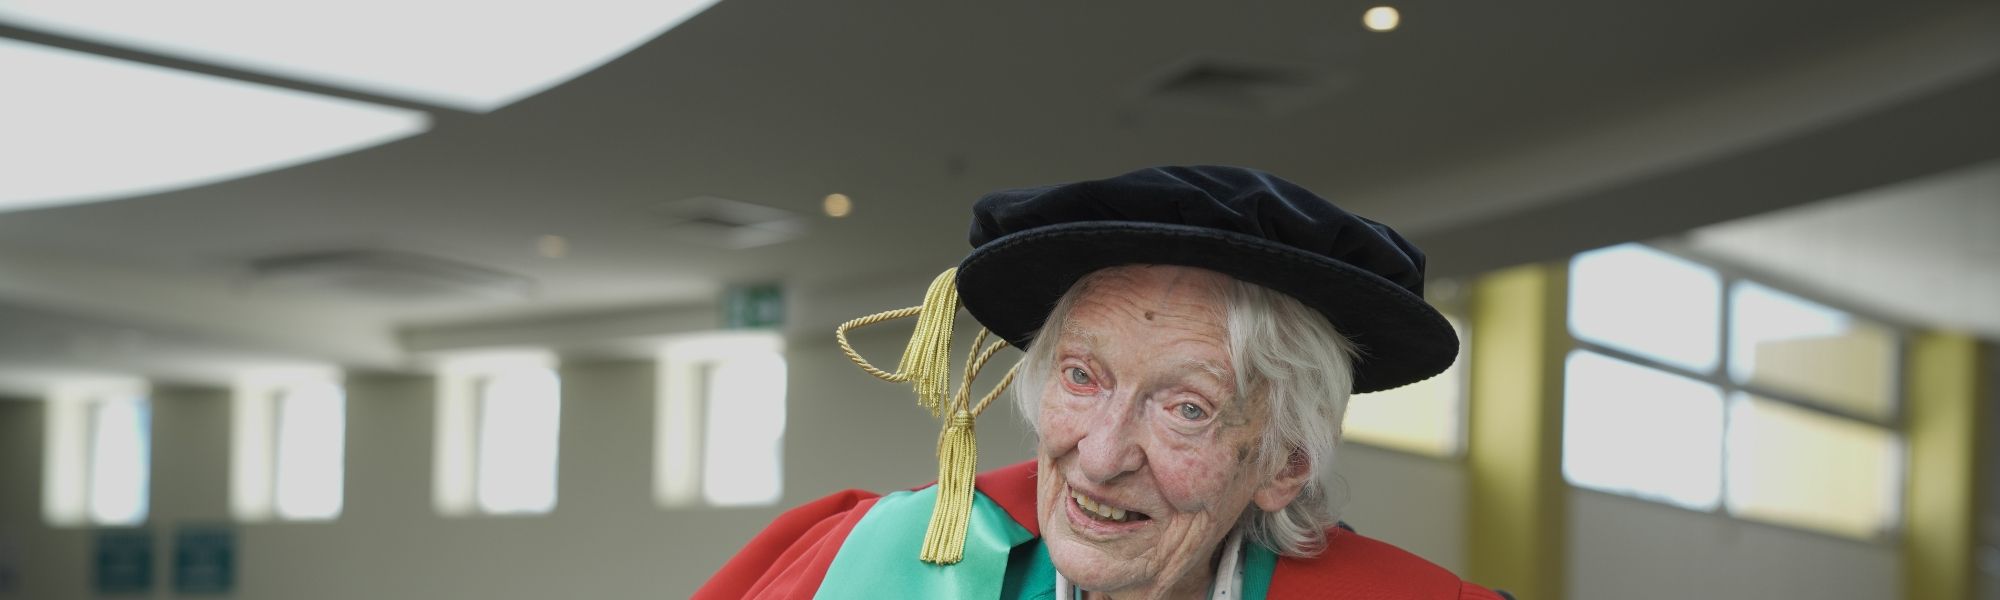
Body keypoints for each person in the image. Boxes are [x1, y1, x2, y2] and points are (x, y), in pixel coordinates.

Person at [696, 166, 1510, 599]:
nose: (1103, 452)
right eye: (1082, 377)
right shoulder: (873, 566)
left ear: (1284, 465)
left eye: (1186, 409)